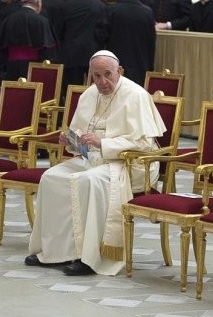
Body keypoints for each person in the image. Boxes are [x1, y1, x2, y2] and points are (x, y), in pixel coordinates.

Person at [25, 50, 166, 276]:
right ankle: (55, 252)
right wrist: (71, 141)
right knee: (51, 178)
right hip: (92, 159)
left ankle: (90, 258)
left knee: (88, 181)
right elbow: (81, 137)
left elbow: (142, 143)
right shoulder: (89, 94)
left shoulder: (135, 95)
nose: (102, 82)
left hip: (128, 164)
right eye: (96, 76)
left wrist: (103, 143)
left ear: (119, 71)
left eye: (107, 74)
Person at [95, 0, 155, 86]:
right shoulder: (147, 12)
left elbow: (100, 37)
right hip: (141, 63)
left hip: (116, 63)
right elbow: (151, 41)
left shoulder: (111, 10)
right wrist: (150, 66)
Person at [0, 0, 58, 80]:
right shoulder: (41, 21)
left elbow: (1, 48)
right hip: (35, 67)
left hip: (12, 66)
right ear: (38, 2)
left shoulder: (9, 20)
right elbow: (48, 51)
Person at [57, 0, 106, 91]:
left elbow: (59, 31)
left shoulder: (64, 6)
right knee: (96, 89)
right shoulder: (99, 6)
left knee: (72, 90)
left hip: (70, 55)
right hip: (93, 52)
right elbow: (103, 32)